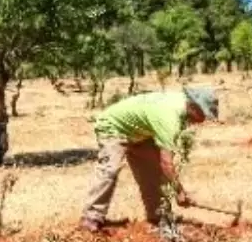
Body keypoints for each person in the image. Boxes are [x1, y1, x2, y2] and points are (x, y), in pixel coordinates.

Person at [80, 86, 218, 232]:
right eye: (204, 114)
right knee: (110, 170)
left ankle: (158, 215)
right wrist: (179, 192)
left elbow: (164, 160)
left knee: (152, 171)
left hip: (140, 131)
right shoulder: (170, 117)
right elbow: (167, 163)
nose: (202, 121)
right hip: (113, 126)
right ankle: (91, 217)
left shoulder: (181, 106)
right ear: (194, 107)